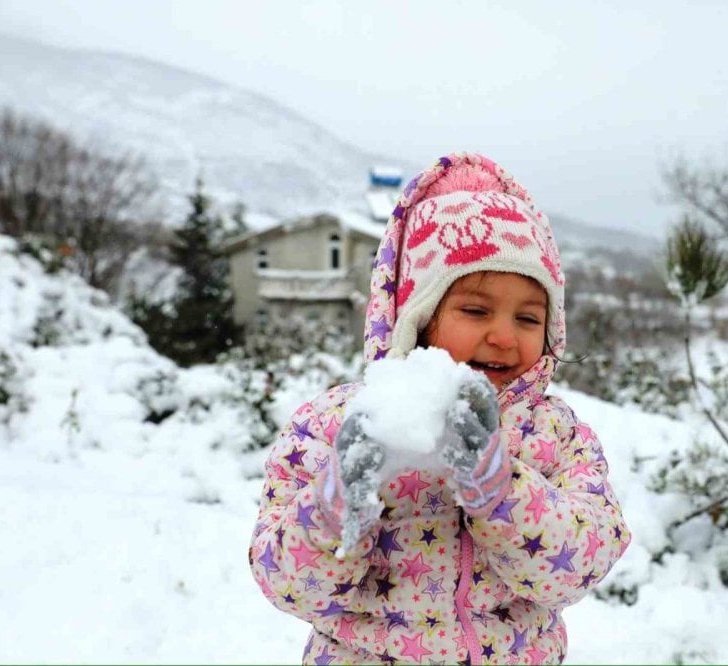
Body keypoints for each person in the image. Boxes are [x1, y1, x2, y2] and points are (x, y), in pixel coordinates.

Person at [249, 152, 631, 664]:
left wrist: (501, 490)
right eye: (475, 310)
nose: (503, 336)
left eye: (528, 317)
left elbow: (584, 563)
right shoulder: (335, 425)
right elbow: (288, 586)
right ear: (417, 317)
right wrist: (340, 499)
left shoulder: (555, 435)